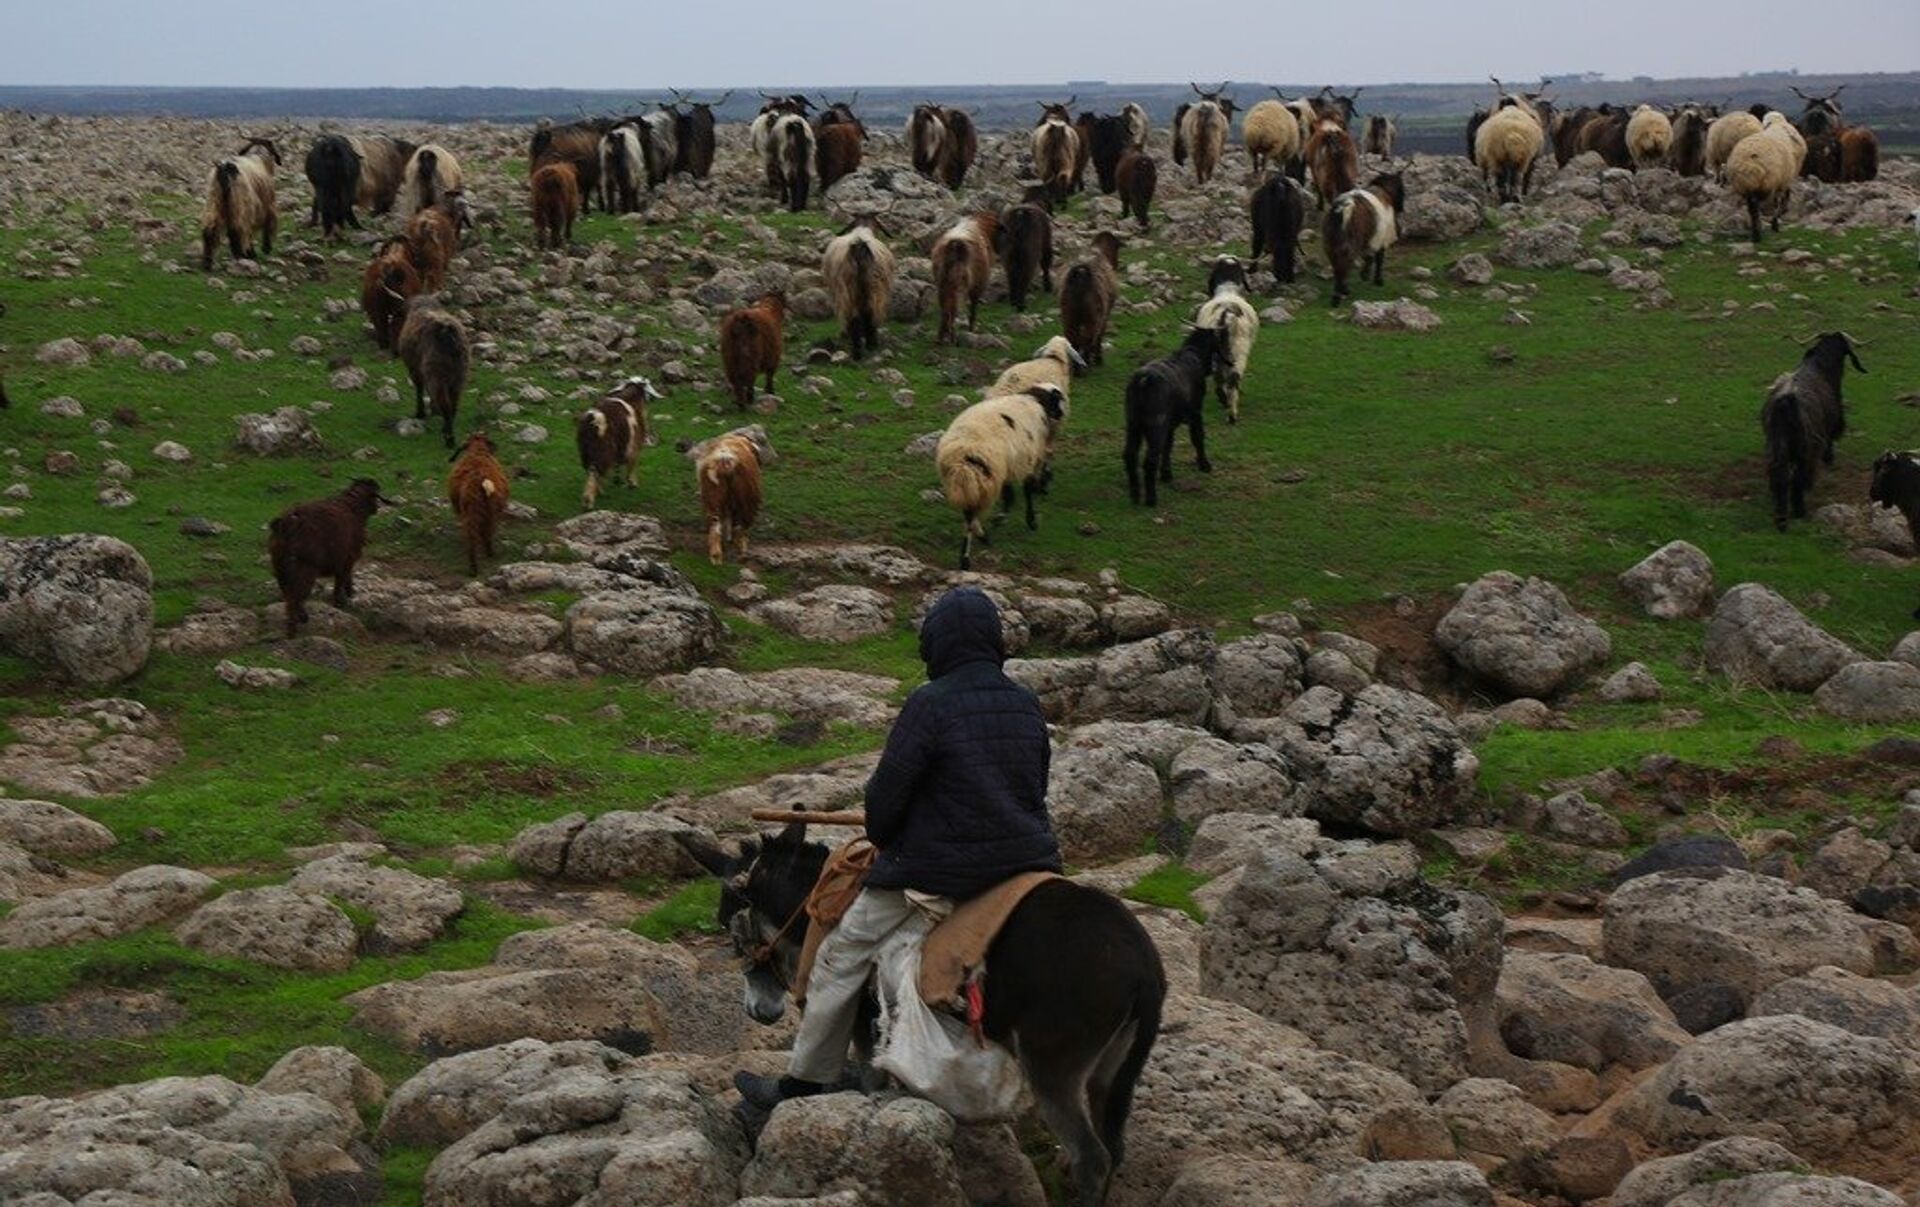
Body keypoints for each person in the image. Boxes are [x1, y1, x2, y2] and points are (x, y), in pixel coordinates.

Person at [735, 585, 1060, 1110]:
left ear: (937, 644)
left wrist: (897, 838)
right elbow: (1035, 787)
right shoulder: (1024, 703)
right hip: (1026, 866)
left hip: (937, 873)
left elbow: (884, 806)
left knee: (841, 954)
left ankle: (807, 1079)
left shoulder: (929, 705)